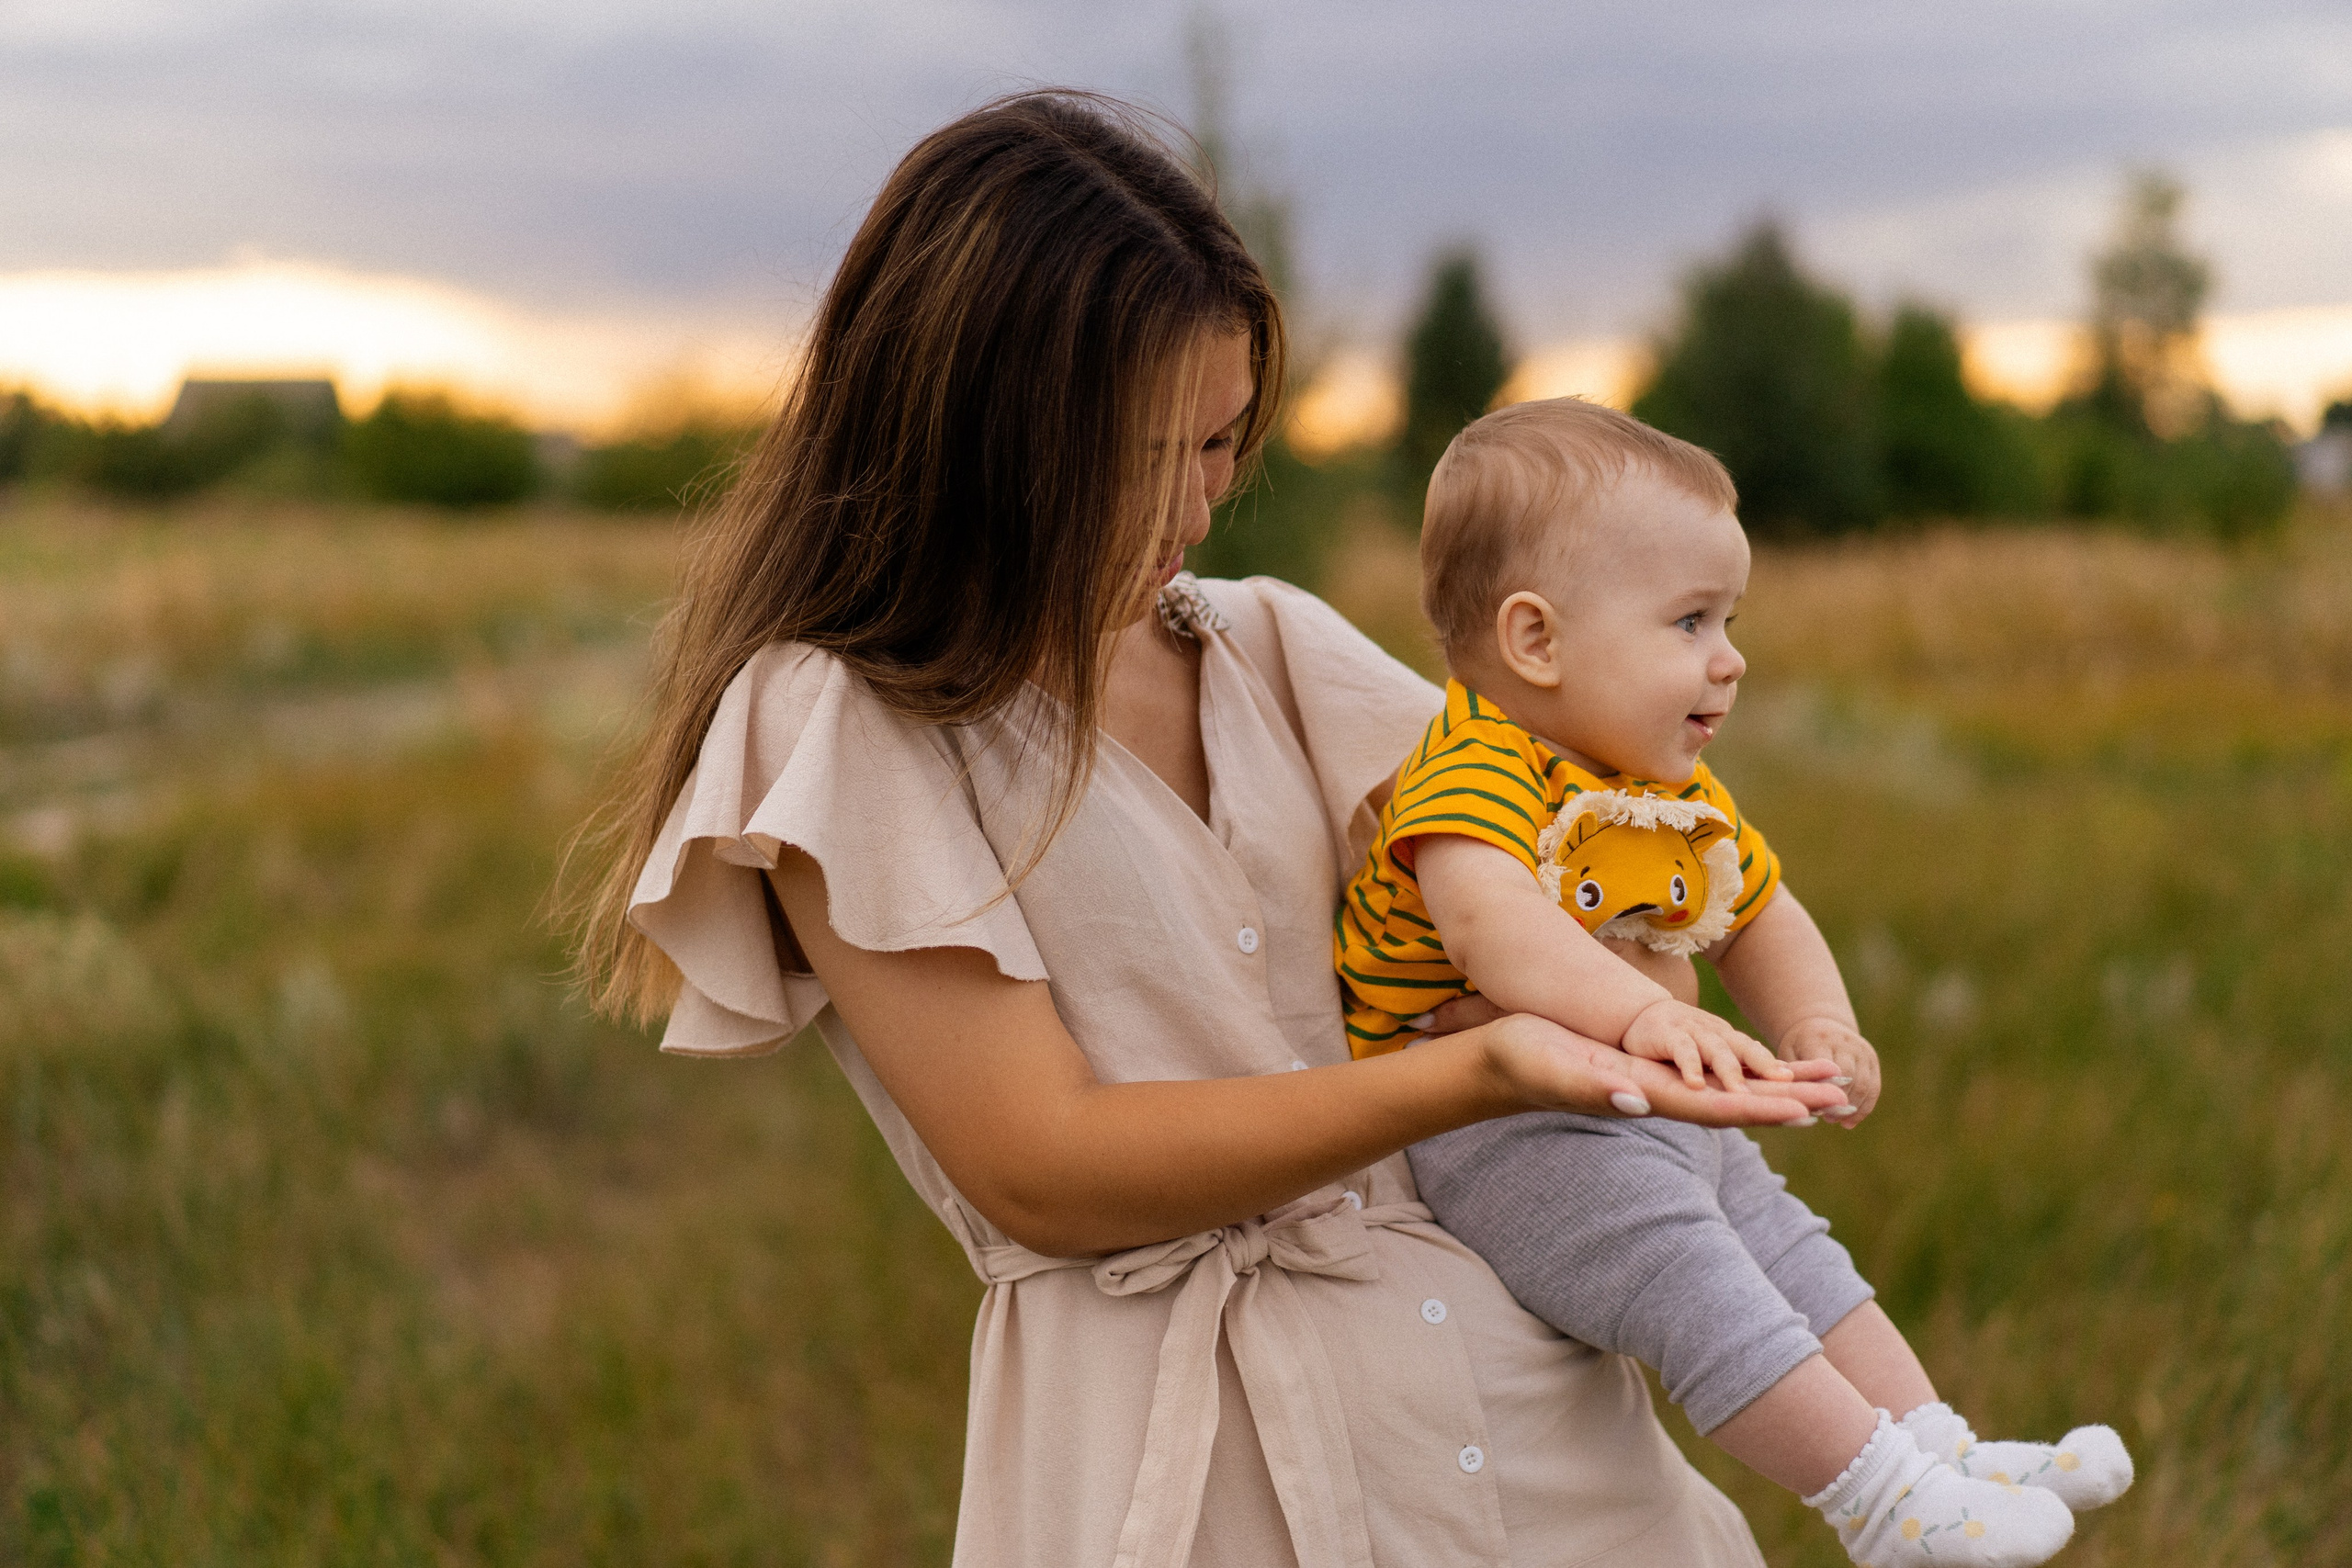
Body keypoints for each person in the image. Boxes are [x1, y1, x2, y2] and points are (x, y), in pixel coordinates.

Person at [570, 92, 1855, 1566]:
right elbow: (1042, 1164)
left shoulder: (1277, 648)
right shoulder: (842, 723)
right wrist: (1473, 1069)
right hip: (1181, 1484)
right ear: (981, 431)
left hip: (1527, 1440)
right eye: (1143, 454)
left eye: (1223, 441)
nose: (1196, 504)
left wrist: (1645, 988)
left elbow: (1573, 896)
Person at [1337, 398, 2132, 1568]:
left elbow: (1760, 910)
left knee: (1794, 1251)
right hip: (1499, 1129)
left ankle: (1940, 1449)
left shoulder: (1664, 788)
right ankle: (1879, 1503)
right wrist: (1647, 1011)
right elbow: (1493, 930)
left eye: (1729, 620)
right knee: (1697, 1281)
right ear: (1536, 640)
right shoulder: (1472, 770)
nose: (1730, 658)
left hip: (1643, 1102)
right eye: (1689, 621)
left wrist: (1817, 1023)